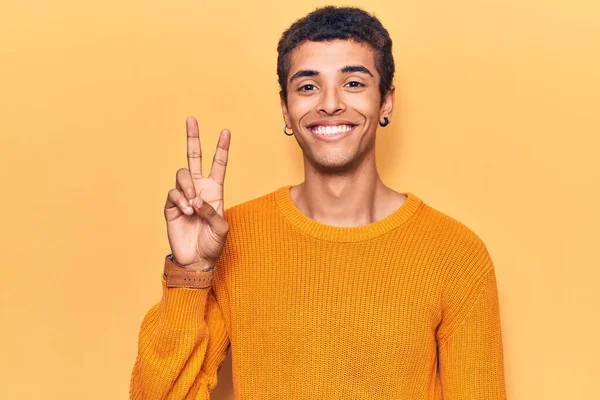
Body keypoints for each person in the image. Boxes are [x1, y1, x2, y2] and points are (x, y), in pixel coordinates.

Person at [129, 6, 507, 399]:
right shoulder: (230, 240)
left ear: (386, 102)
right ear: (286, 110)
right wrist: (190, 274)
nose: (330, 103)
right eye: (308, 86)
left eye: (354, 83)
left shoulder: (456, 254)